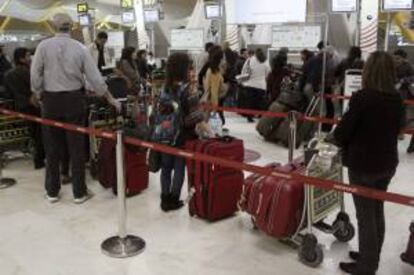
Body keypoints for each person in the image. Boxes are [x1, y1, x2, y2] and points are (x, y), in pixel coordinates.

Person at [31, 13, 121, 204]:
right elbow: (96, 78)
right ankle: (79, 193)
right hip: (74, 100)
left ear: (53, 26)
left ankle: (52, 192)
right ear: (71, 26)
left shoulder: (43, 47)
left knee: (52, 148)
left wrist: (39, 94)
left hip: (51, 101)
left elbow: (35, 74)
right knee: (76, 147)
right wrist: (111, 98)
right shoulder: (80, 48)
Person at [334, 51, 405, 275]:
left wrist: (336, 138)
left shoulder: (363, 98)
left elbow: (344, 132)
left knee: (365, 215)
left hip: (363, 165)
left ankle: (366, 266)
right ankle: (370, 255)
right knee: (376, 211)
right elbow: (400, 130)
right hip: (386, 164)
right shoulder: (397, 99)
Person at [156, 53, 204, 211]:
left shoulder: (164, 87)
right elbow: (196, 116)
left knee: (166, 167)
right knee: (178, 167)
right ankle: (174, 200)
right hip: (181, 135)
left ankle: (164, 200)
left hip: (163, 133)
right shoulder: (188, 88)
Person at [3, 47, 45, 169]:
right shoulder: (29, 72)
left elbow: (8, 94)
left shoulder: (8, 75)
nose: (30, 58)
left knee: (33, 133)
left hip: (20, 107)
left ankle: (38, 159)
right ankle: (40, 160)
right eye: (27, 56)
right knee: (40, 134)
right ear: (21, 58)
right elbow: (36, 88)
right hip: (34, 106)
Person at [304, 44, 337, 132]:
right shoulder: (320, 61)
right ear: (327, 54)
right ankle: (314, 132)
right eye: (330, 56)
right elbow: (316, 76)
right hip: (312, 87)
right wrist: (316, 90)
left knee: (310, 109)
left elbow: (305, 71)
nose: (330, 58)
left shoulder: (313, 59)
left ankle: (307, 131)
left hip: (307, 85)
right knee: (317, 111)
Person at [241, 48, 270, 122]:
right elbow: (268, 72)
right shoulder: (265, 61)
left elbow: (244, 71)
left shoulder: (250, 60)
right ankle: (260, 115)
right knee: (260, 102)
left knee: (250, 102)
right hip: (261, 85)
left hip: (250, 84)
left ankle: (249, 117)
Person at [393, 49, 414, 153]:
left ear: (403, 58)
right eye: (395, 58)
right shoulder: (391, 64)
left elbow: (412, 77)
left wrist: (402, 80)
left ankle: (401, 132)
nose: (396, 60)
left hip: (403, 93)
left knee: (401, 113)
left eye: (398, 58)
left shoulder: (408, 66)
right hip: (392, 90)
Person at [204, 47, 226, 125]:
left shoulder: (212, 70)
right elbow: (214, 92)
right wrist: (215, 109)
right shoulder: (214, 73)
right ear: (219, 59)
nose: (224, 60)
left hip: (210, 102)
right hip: (212, 103)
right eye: (223, 58)